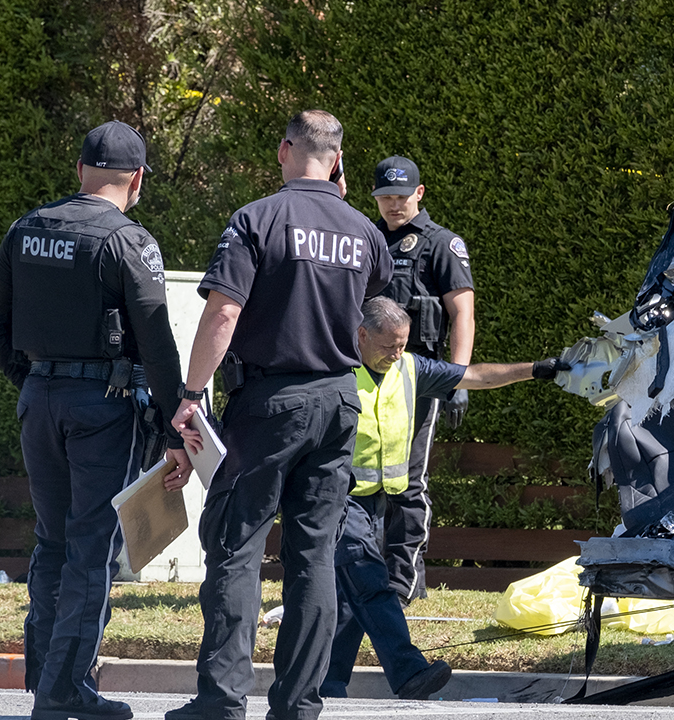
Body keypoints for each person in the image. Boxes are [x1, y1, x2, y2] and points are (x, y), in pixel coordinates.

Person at [165, 110, 391, 720]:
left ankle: (221, 701)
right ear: (338, 159)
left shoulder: (257, 218)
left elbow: (222, 315)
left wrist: (190, 395)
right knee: (313, 554)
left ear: (287, 148)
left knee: (238, 547)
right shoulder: (363, 231)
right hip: (340, 400)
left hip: (269, 404)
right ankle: (298, 705)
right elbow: (372, 303)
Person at [0, 120, 192, 720]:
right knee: (92, 549)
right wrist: (176, 431)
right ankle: (66, 687)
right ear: (138, 179)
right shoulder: (128, 240)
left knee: (52, 541)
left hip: (39, 400)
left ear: (79, 172)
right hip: (104, 409)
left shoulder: (27, 229)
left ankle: (45, 675)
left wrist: (34, 382)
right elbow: (158, 345)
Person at [320, 297, 568, 699]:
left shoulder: (411, 368)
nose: (397, 354)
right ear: (361, 335)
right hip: (337, 497)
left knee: (352, 597)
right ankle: (409, 672)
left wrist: (536, 370)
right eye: (388, 346)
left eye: (403, 344)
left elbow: (476, 376)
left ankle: (326, 684)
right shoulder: (333, 369)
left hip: (378, 501)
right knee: (370, 581)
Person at [371, 155, 475, 604]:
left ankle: (404, 581)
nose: (394, 205)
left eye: (401, 195)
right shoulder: (366, 239)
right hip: (366, 378)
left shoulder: (441, 245)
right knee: (364, 479)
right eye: (385, 197)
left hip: (418, 378)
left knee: (409, 481)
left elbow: (462, 314)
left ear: (419, 193)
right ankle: (369, 577)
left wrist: (458, 381)